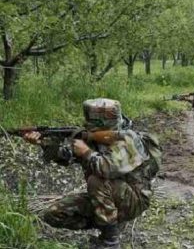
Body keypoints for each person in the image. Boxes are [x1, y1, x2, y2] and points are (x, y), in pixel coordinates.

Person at [23, 98, 162, 249]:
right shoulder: (92, 138)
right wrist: (44, 143)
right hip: (110, 199)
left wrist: (87, 152)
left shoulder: (129, 140)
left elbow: (106, 169)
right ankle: (111, 224)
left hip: (134, 201)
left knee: (97, 181)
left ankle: (110, 241)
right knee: (54, 214)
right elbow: (65, 156)